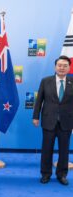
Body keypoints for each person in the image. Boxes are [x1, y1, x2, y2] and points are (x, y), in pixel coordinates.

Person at [33, 55, 73, 186]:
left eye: (65, 66)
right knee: (47, 149)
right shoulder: (46, 81)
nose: (62, 68)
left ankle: (62, 175)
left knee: (64, 150)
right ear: (55, 67)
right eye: (59, 65)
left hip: (66, 122)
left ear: (69, 68)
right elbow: (39, 101)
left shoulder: (72, 82)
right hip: (48, 120)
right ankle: (45, 174)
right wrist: (35, 116)